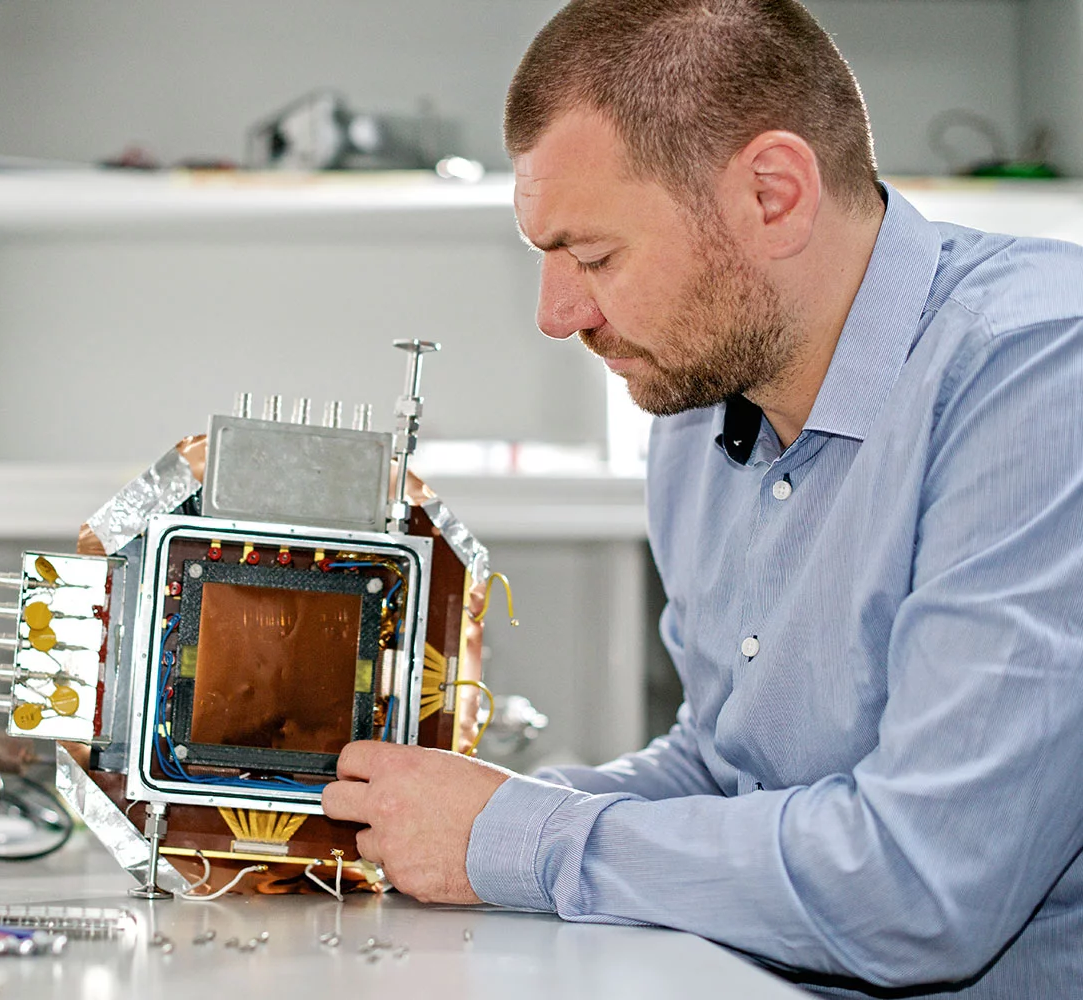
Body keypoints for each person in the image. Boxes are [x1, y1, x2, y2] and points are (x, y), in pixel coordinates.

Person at [321, 1, 1083, 995]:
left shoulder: (1039, 372)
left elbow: (921, 883)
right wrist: (463, 814)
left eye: (594, 258)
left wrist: (512, 838)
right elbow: (726, 768)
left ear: (774, 193)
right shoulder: (696, 406)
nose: (559, 315)